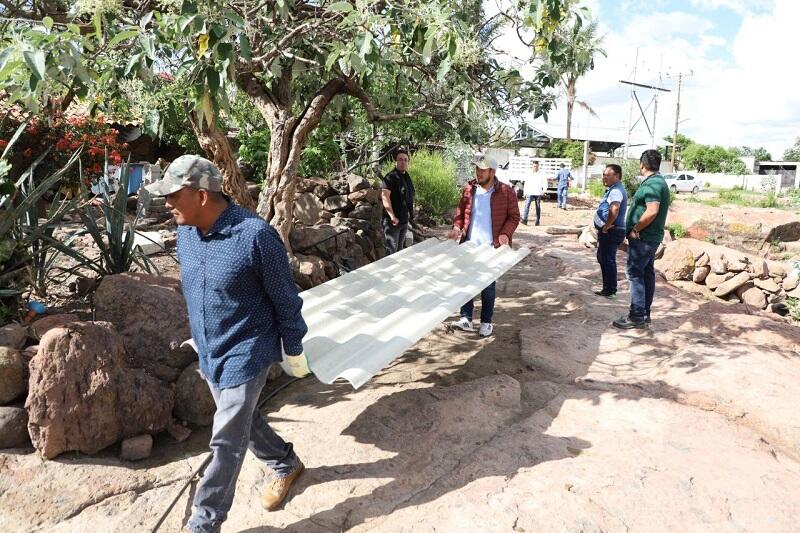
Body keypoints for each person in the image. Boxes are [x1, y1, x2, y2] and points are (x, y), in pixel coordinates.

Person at [144, 155, 310, 533]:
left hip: (246, 352)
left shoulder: (255, 237)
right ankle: (286, 462)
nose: (166, 203)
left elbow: (286, 298)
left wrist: (294, 348)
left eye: (172, 195)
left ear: (201, 195)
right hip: (209, 349)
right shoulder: (186, 232)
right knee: (243, 420)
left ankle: (204, 523)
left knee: (226, 440)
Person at [447, 154, 520, 337]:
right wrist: (457, 228)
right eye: (477, 169)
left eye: (482, 170)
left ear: (492, 172)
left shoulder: (505, 192)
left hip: (491, 247)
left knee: (488, 286)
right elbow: (461, 212)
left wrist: (505, 233)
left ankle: (486, 322)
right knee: (466, 282)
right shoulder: (469, 189)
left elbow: (514, 217)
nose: (478, 173)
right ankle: (466, 318)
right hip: (469, 245)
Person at [613, 149, 671, 329]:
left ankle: (637, 315)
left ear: (642, 164)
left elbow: (652, 210)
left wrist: (635, 229)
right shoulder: (659, 182)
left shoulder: (653, 184)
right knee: (646, 274)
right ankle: (644, 313)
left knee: (634, 274)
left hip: (643, 238)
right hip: (650, 237)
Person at [593, 164, 628, 298]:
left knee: (607, 259)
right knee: (603, 257)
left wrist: (607, 225)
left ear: (617, 176)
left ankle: (610, 290)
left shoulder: (616, 191)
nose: (604, 178)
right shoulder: (613, 189)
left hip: (611, 231)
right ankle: (607, 288)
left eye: (608, 175)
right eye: (604, 175)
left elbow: (615, 209)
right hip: (612, 230)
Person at [381, 149, 415, 254]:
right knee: (392, 251)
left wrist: (410, 214)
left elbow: (408, 197)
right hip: (393, 222)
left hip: (404, 220)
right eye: (400, 159)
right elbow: (385, 197)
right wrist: (392, 216)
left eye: (405, 160)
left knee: (399, 251)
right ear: (395, 162)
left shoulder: (406, 176)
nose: (403, 162)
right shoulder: (390, 177)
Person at [521, 160, 547, 225]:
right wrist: (525, 193)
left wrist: (544, 191)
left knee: (538, 207)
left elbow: (545, 183)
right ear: (532, 166)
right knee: (527, 205)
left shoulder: (541, 174)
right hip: (530, 192)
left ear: (538, 166)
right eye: (534, 166)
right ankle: (525, 219)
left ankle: (537, 221)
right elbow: (526, 183)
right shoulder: (529, 173)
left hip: (538, 193)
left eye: (536, 166)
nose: (535, 167)